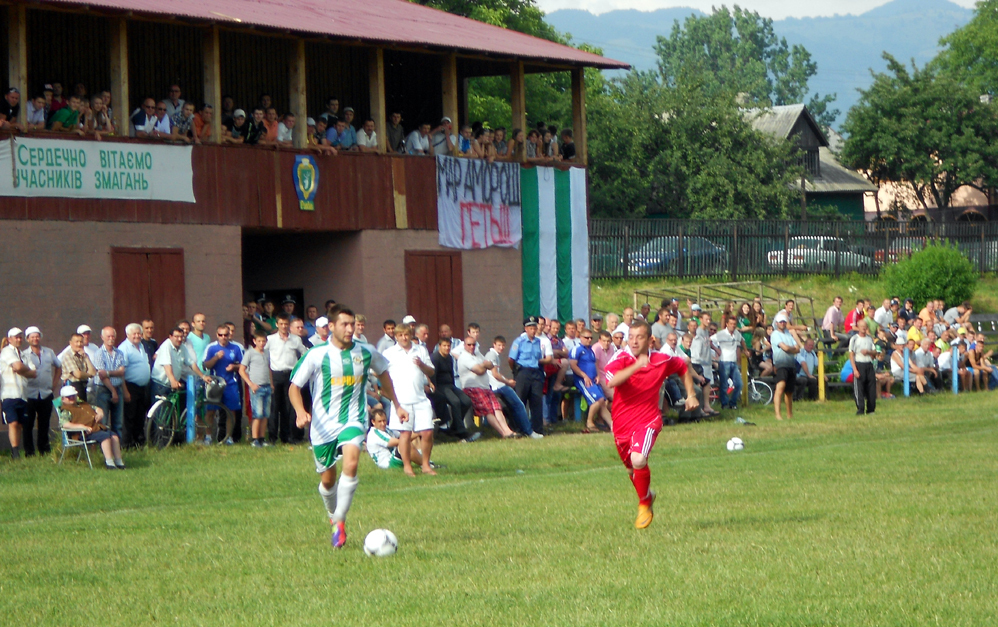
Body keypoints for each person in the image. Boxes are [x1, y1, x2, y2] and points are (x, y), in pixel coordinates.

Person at [289, 305, 407, 549]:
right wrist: (301, 411)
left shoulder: (366, 351)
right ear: (330, 327)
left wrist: (397, 404)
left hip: (353, 418)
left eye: (352, 324)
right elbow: (294, 387)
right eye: (344, 324)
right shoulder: (316, 354)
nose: (350, 328)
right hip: (322, 425)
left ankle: (340, 521)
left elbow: (384, 374)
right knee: (328, 480)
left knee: (351, 463)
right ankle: (334, 517)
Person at [604, 321, 699, 529]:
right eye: (631, 337)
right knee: (631, 470)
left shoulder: (661, 360)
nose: (634, 341)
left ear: (650, 340)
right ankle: (647, 495)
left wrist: (690, 394)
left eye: (639, 337)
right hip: (621, 424)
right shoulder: (621, 358)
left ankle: (644, 502)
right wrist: (637, 365)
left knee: (638, 459)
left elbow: (682, 366)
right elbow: (611, 381)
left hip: (648, 420)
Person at [382, 323, 438, 476]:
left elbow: (431, 371)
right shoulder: (389, 353)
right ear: (396, 336)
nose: (404, 338)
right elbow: (378, 373)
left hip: (420, 398)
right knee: (405, 434)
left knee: (427, 432)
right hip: (401, 401)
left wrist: (421, 365)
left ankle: (426, 465)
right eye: (400, 335)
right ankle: (407, 466)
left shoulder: (420, 349)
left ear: (411, 334)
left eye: (406, 334)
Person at [457, 335, 517, 438]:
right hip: (473, 388)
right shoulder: (464, 357)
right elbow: (480, 370)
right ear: (464, 345)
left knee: (497, 408)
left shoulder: (477, 354)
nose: (472, 347)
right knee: (489, 410)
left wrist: (484, 365)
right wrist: (484, 366)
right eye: (469, 344)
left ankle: (508, 431)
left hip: (485, 387)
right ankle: (503, 433)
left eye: (473, 344)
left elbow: (488, 364)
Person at [56, 385, 125, 470]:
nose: (72, 398)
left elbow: (98, 409)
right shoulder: (66, 410)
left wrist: (100, 413)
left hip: (96, 429)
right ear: (63, 399)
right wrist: (81, 427)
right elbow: (64, 424)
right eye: (68, 397)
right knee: (105, 437)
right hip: (82, 433)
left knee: (114, 436)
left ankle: (119, 461)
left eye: (73, 396)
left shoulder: (83, 404)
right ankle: (109, 462)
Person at [509, 316, 554, 435]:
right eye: (530, 328)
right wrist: (516, 372)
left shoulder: (538, 342)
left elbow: (539, 358)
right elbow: (511, 359)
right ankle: (519, 428)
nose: (533, 330)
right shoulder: (519, 341)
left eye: (534, 328)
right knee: (520, 400)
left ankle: (537, 429)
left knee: (536, 401)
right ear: (526, 329)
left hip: (536, 372)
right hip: (523, 372)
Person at [266, 313, 307, 444]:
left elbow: (305, 353)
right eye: (281, 324)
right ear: (277, 324)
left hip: (291, 374)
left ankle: (288, 436)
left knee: (289, 408)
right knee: (274, 407)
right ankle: (272, 437)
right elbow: (263, 355)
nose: (284, 326)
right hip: (276, 374)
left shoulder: (295, 339)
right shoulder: (270, 339)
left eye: (286, 324)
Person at [21, 327, 60, 457]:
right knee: (28, 425)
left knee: (44, 423)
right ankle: (29, 452)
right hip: (29, 394)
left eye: (37, 336)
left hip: (46, 393)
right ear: (27, 339)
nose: (35, 339)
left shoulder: (49, 352)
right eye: (32, 337)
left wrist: (54, 385)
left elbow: (59, 367)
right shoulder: (23, 354)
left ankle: (44, 449)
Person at [203, 324, 244, 445]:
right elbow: (206, 365)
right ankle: (208, 437)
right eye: (220, 335)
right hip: (215, 383)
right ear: (217, 335)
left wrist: (234, 367)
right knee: (210, 411)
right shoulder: (211, 348)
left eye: (226, 335)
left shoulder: (236, 348)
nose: (223, 337)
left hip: (231, 383)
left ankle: (229, 438)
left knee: (231, 411)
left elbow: (244, 365)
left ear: (229, 335)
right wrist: (216, 358)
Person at [2, 328, 37, 459]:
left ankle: (16, 450)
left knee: (20, 424)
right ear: (10, 338)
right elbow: (17, 367)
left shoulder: (23, 354)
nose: (18, 340)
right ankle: (15, 451)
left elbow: (33, 373)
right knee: (13, 422)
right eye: (16, 337)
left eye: (20, 337)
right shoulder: (6, 352)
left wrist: (22, 369)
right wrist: (23, 369)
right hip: (9, 394)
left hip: (22, 394)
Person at [570, 329, 612, 433]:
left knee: (602, 401)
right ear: (581, 337)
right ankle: (589, 422)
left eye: (590, 338)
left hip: (593, 379)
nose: (589, 340)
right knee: (597, 400)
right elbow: (573, 365)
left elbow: (595, 364)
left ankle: (613, 425)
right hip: (583, 380)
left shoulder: (591, 351)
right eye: (586, 338)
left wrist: (597, 375)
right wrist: (584, 376)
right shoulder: (577, 349)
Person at [118, 323, 151, 448]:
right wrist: (125, 391)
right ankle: (127, 444)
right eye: (134, 333)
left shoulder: (141, 346)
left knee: (140, 416)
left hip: (142, 388)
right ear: (128, 335)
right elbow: (122, 372)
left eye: (139, 333)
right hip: (130, 386)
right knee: (129, 417)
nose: (137, 336)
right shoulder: (124, 348)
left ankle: (139, 442)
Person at [91, 327, 128, 438]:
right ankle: (105, 447)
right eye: (108, 336)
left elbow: (122, 372)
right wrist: (113, 391)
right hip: (103, 389)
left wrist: (108, 373)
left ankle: (117, 448)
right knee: (103, 421)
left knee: (118, 422)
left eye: (113, 336)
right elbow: (102, 376)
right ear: (102, 337)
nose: (111, 339)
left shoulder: (119, 353)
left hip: (118, 387)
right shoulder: (98, 354)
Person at [239, 331, 273, 447]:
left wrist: (271, 383)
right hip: (256, 387)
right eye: (259, 341)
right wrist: (250, 384)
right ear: (254, 341)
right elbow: (241, 370)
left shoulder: (267, 353)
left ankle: (262, 438)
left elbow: (269, 369)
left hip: (267, 386)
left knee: (265, 414)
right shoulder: (250, 353)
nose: (261, 343)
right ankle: (255, 439)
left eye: (263, 341)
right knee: (257, 414)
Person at [771, 313, 799, 421]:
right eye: (781, 322)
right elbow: (786, 348)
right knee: (780, 387)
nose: (783, 323)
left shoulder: (788, 334)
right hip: (781, 363)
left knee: (789, 391)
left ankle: (789, 414)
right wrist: (792, 349)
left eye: (784, 322)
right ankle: (778, 414)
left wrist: (790, 348)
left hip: (791, 363)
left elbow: (797, 348)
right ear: (777, 323)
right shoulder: (775, 334)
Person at [712, 316, 744, 410]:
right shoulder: (721, 334)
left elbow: (742, 341)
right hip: (724, 361)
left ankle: (733, 403)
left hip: (733, 362)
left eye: (734, 324)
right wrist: (717, 350)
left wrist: (745, 350)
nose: (733, 326)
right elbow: (710, 340)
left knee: (739, 384)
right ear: (727, 324)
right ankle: (724, 404)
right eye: (731, 324)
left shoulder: (737, 333)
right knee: (724, 385)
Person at [849, 320, 877, 415]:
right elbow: (851, 355)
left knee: (871, 388)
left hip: (869, 364)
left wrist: (868, 352)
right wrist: (855, 369)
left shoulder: (869, 339)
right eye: (862, 326)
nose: (864, 328)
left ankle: (871, 409)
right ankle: (860, 409)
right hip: (859, 364)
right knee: (859, 389)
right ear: (858, 327)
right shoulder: (854, 339)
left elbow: (875, 352)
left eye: (865, 326)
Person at [60, 333, 97, 401]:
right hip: (70, 391)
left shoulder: (84, 355)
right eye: (76, 342)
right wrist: (89, 375)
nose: (79, 344)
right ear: (71, 343)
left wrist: (86, 357)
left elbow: (94, 372)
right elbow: (78, 374)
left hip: (83, 388)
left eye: (81, 342)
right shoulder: (68, 355)